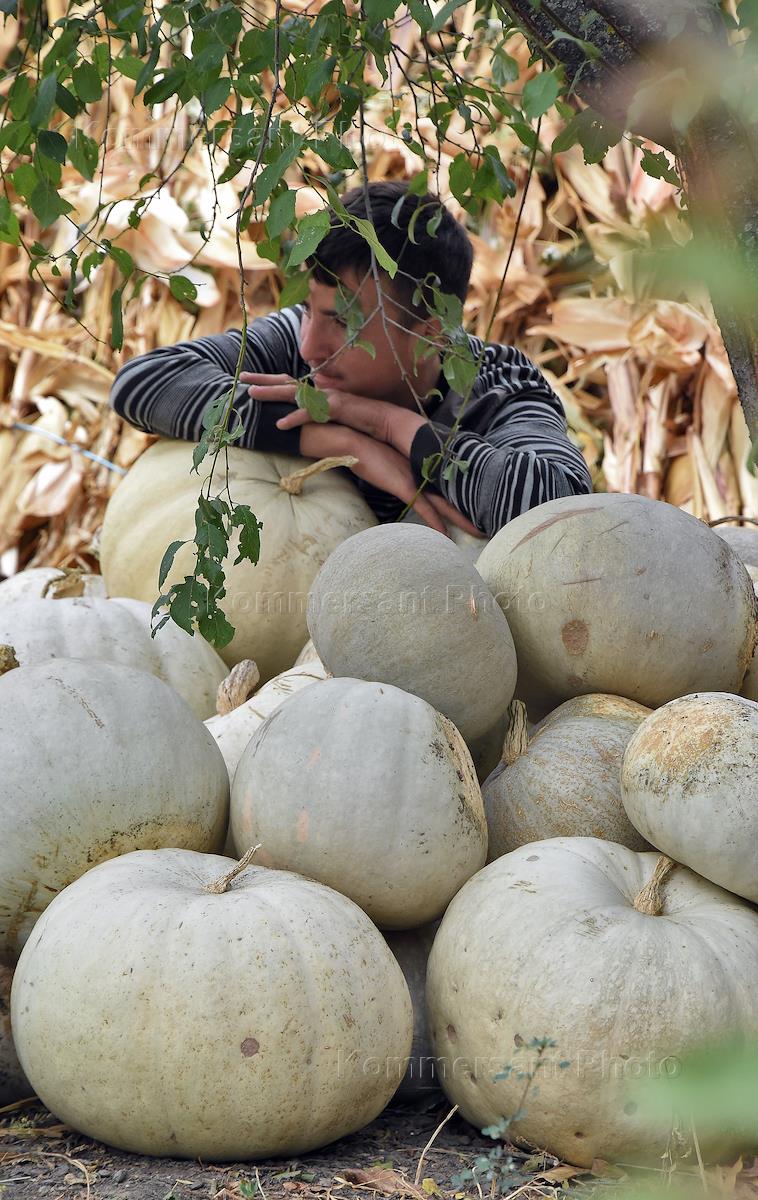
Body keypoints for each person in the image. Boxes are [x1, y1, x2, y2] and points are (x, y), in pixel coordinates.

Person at [109, 180, 592, 538]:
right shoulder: (298, 337)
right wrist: (344, 441)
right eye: (311, 311)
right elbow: (143, 383)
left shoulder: (501, 384)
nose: (309, 348)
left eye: (345, 323)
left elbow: (563, 509)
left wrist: (389, 426)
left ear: (429, 335)